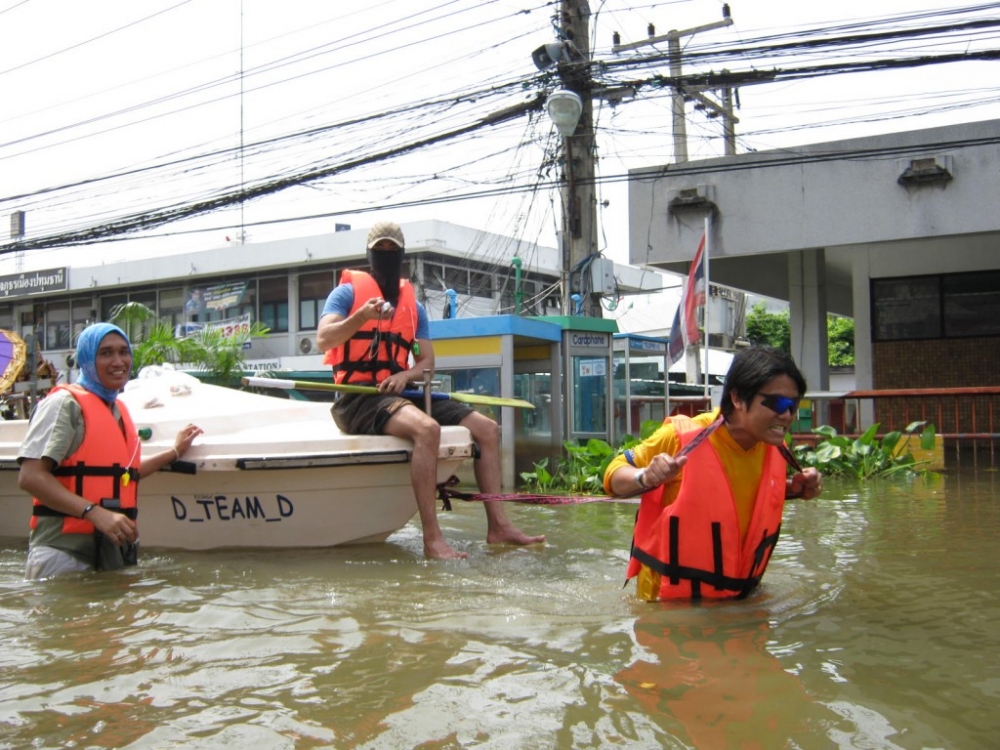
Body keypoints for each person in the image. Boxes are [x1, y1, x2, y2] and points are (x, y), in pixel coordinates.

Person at [316, 221, 545, 559]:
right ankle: (432, 539)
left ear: (403, 256)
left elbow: (428, 363)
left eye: (393, 251)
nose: (386, 256)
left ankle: (498, 525)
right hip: (358, 398)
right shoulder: (347, 294)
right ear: (370, 255)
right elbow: (324, 339)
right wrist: (361, 317)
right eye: (380, 251)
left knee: (487, 429)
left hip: (400, 393)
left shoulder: (415, 307)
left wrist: (406, 376)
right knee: (428, 430)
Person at [604, 345, 822, 601]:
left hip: (741, 602)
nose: (786, 415)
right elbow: (613, 474)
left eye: (793, 404)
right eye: (777, 402)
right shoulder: (682, 438)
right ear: (738, 398)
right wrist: (645, 476)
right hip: (667, 609)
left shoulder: (775, 448)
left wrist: (791, 489)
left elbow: (737, 494)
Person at [17, 323, 203, 580]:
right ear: (87, 359)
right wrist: (94, 513)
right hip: (62, 553)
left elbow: (126, 474)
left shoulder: (117, 409)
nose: (118, 361)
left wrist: (174, 451)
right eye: (105, 353)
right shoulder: (64, 404)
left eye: (123, 352)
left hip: (110, 553)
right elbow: (30, 477)